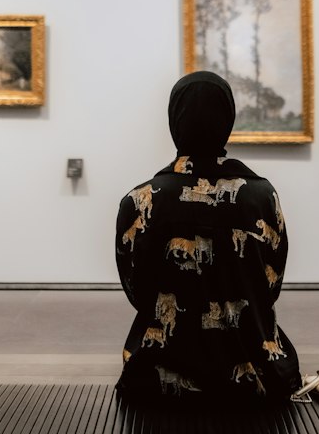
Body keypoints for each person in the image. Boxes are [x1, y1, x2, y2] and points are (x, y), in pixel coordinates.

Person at [115, 70, 303, 403]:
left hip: (155, 377)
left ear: (175, 119)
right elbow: (270, 285)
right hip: (253, 375)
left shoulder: (139, 200)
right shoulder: (261, 197)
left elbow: (137, 290)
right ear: (227, 119)